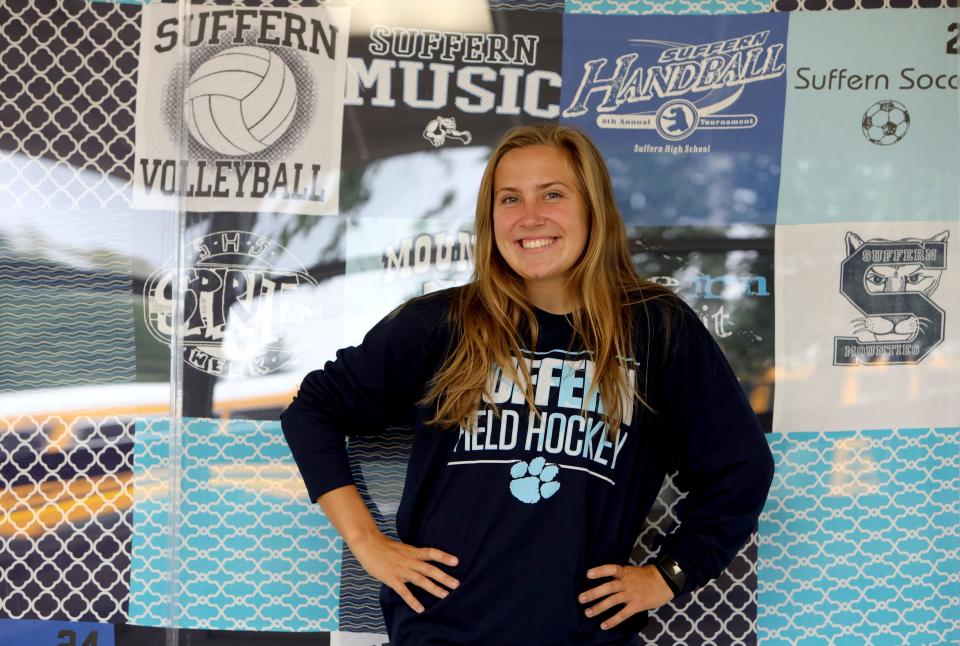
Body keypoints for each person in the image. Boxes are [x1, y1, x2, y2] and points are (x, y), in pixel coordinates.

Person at [281, 124, 774, 645]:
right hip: (440, 634)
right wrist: (366, 543)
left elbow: (739, 469)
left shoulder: (656, 328)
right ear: (490, 219)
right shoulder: (441, 323)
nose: (529, 217)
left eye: (553, 194)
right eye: (509, 198)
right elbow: (313, 411)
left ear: (593, 209)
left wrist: (668, 575)